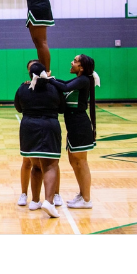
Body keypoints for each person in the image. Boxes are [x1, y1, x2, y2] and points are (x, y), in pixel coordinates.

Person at [50, 54, 99, 209]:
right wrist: (50, 78)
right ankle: (82, 194)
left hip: (79, 125)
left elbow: (64, 87)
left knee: (81, 162)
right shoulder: (80, 80)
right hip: (73, 125)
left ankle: (86, 199)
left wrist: (48, 79)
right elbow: (64, 83)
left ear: (82, 67)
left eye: (75, 61)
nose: (71, 62)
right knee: (74, 162)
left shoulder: (84, 80)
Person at [15, 61, 62, 218]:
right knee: (50, 166)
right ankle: (49, 201)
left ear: (30, 74)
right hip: (49, 126)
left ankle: (35, 201)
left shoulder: (23, 88)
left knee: (35, 165)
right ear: (46, 72)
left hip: (29, 128)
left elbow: (18, 107)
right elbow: (62, 108)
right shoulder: (54, 87)